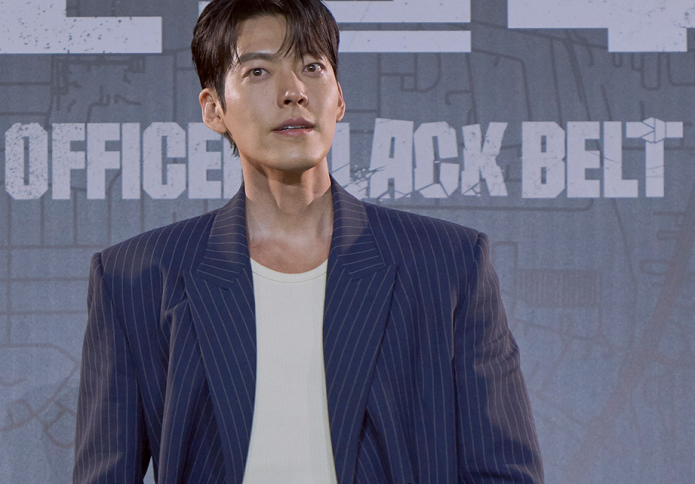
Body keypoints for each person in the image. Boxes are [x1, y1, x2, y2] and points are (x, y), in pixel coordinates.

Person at [72, 0, 544, 482]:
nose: (293, 91)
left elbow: (503, 472)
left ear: (338, 98)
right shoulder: (135, 277)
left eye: (312, 67)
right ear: (214, 109)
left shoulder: (448, 264)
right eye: (258, 71)